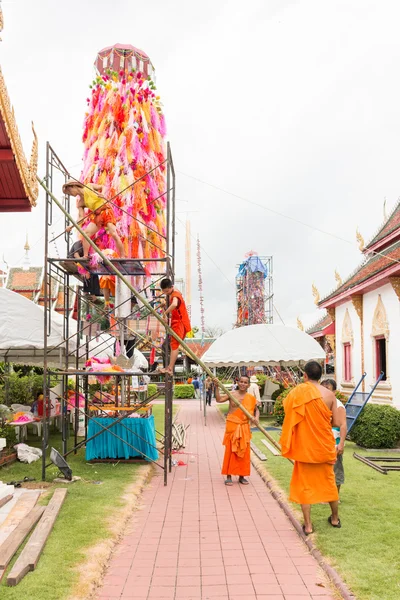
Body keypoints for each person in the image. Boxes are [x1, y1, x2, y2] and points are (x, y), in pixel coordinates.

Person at [280, 361, 341, 534]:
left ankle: (308, 526)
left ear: (305, 376)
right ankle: (335, 519)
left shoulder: (297, 393)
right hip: (324, 447)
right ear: (321, 376)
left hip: (305, 448)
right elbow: (335, 422)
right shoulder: (330, 395)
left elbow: (289, 412)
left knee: (305, 487)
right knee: (329, 484)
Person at [62, 179, 125, 259]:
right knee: (86, 233)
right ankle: (85, 256)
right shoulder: (81, 202)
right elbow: (81, 218)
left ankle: (123, 256)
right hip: (98, 215)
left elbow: (103, 187)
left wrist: (102, 193)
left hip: (106, 210)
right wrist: (71, 226)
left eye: (69, 191)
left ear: (73, 186)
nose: (70, 194)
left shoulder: (89, 186)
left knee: (113, 233)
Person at [215, 375, 259, 486]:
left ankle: (242, 476)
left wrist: (256, 418)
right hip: (233, 425)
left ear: (248, 385)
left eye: (245, 382)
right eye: (241, 382)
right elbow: (219, 400)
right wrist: (216, 387)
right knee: (231, 450)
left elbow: (256, 410)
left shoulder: (251, 397)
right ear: (238, 382)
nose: (243, 384)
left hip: (244, 427)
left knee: (243, 450)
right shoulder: (232, 394)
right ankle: (228, 475)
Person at [159, 278, 191, 375]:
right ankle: (168, 368)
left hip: (179, 323)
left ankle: (169, 368)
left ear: (171, 287)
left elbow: (174, 304)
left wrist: (165, 312)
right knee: (168, 345)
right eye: (164, 292)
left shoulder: (175, 295)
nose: (166, 293)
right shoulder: (171, 294)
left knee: (174, 345)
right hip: (176, 323)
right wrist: (165, 308)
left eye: (167, 291)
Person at [321, 378, 347, 496]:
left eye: (327, 389)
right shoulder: (321, 404)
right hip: (323, 443)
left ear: (334, 391)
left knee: (335, 470)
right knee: (323, 471)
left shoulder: (338, 406)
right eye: (323, 389)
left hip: (334, 443)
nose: (324, 391)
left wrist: (341, 443)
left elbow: (343, 425)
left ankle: (335, 496)